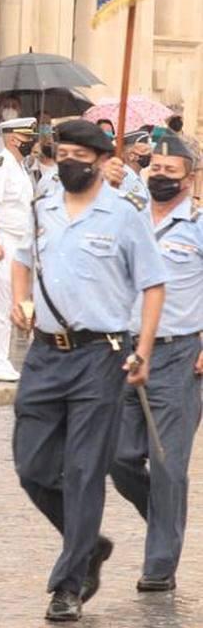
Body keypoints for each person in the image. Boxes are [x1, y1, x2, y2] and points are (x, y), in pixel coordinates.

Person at [10, 118, 166, 623]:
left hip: (100, 355)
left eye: (81, 154)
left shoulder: (125, 215)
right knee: (31, 466)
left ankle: (69, 583)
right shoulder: (41, 207)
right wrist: (19, 298)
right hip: (44, 353)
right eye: (64, 153)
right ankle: (90, 544)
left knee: (82, 472)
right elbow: (21, 259)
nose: (70, 161)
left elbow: (153, 285)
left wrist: (142, 350)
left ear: (101, 162)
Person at [110, 132, 203, 593]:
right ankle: (163, 517)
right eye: (156, 169)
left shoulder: (200, 224)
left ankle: (160, 563)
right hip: (124, 350)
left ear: (190, 176)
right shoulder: (129, 218)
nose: (161, 176)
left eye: (171, 170)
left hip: (178, 353)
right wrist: (102, 183)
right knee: (117, 455)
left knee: (167, 464)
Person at [0, 118, 36, 382]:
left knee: (13, 298)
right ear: (14, 139)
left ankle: (2, 357)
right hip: (1, 238)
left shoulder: (19, 166)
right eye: (28, 137)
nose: (32, 142)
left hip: (18, 239)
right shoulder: (1, 165)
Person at [116, 129, 152, 200]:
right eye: (144, 151)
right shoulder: (122, 179)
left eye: (149, 152)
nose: (149, 155)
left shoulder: (139, 176)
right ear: (131, 156)